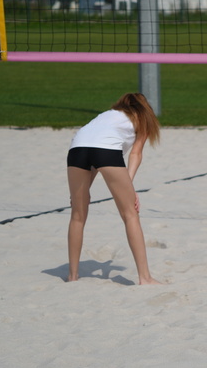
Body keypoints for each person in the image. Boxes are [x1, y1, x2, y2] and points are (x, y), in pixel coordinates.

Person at [67, 93, 162, 285]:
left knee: (77, 214)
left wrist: (83, 191)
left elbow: (91, 149)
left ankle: (73, 276)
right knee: (130, 214)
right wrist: (129, 186)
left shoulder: (106, 115)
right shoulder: (142, 118)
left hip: (76, 150)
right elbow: (136, 153)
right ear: (144, 108)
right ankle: (145, 278)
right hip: (105, 151)